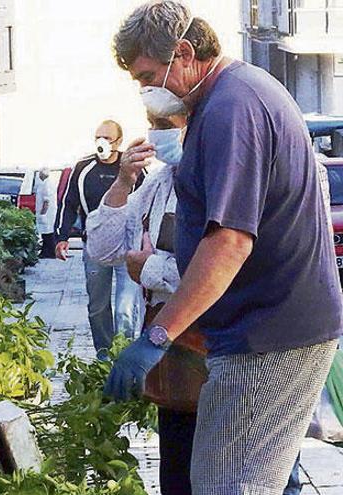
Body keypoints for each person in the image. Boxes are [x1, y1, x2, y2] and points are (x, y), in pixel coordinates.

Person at [105, 3, 342, 494]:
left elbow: (230, 241)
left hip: (268, 337)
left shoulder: (233, 108)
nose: (146, 90)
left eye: (149, 76)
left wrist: (158, 336)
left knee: (226, 485)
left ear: (184, 54)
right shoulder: (231, 97)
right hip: (259, 333)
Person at [54, 120, 145, 359]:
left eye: (107, 137)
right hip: (95, 249)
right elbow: (68, 203)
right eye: (97, 137)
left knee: (125, 308)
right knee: (97, 307)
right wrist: (61, 237)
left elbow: (147, 204)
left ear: (119, 142)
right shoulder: (83, 169)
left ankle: (122, 356)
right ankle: (104, 357)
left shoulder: (133, 168)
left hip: (128, 248)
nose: (101, 142)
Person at [36, 167, 56, 259]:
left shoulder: (46, 184)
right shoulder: (45, 183)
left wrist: (43, 213)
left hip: (47, 212)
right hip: (47, 212)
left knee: (47, 232)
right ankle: (46, 250)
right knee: (46, 232)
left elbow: (46, 201)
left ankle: (50, 252)